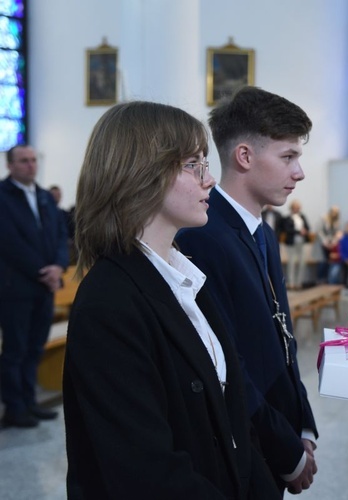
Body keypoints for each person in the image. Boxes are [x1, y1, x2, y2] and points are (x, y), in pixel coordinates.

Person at [62, 101, 278, 499]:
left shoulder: (187, 277)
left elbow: (230, 415)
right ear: (143, 173)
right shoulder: (109, 303)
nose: (209, 179)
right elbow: (145, 472)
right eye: (193, 164)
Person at [175, 86, 319, 495]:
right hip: (245, 442)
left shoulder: (263, 233)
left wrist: (302, 423)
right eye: (288, 157)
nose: (299, 172)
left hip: (277, 428)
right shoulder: (203, 236)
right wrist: (283, 447)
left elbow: (282, 336)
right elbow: (226, 361)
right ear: (244, 156)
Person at [0, 145, 68, 428]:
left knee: (35, 348)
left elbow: (61, 235)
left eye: (33, 160)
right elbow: (9, 242)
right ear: (10, 165)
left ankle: (30, 402)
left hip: (44, 288)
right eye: (23, 161)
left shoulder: (43, 196)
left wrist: (59, 266)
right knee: (15, 350)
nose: (30, 165)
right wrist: (44, 271)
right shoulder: (3, 196)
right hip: (16, 288)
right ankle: (14, 408)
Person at [281, 199, 310, 290]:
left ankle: (299, 282)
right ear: (292, 208)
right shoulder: (287, 217)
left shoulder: (302, 216)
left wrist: (305, 231)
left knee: (302, 262)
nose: (297, 209)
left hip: (301, 242)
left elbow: (308, 227)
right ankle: (291, 282)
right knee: (291, 263)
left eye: (298, 207)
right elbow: (287, 229)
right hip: (291, 242)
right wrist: (298, 232)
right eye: (295, 207)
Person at [312, 205, 340, 284]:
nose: (334, 214)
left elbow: (338, 233)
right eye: (333, 212)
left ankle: (326, 281)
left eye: (336, 213)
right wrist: (325, 242)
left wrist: (333, 242)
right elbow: (319, 231)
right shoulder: (323, 218)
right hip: (321, 244)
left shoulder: (337, 221)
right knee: (322, 263)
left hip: (331, 245)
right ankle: (320, 280)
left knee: (329, 262)